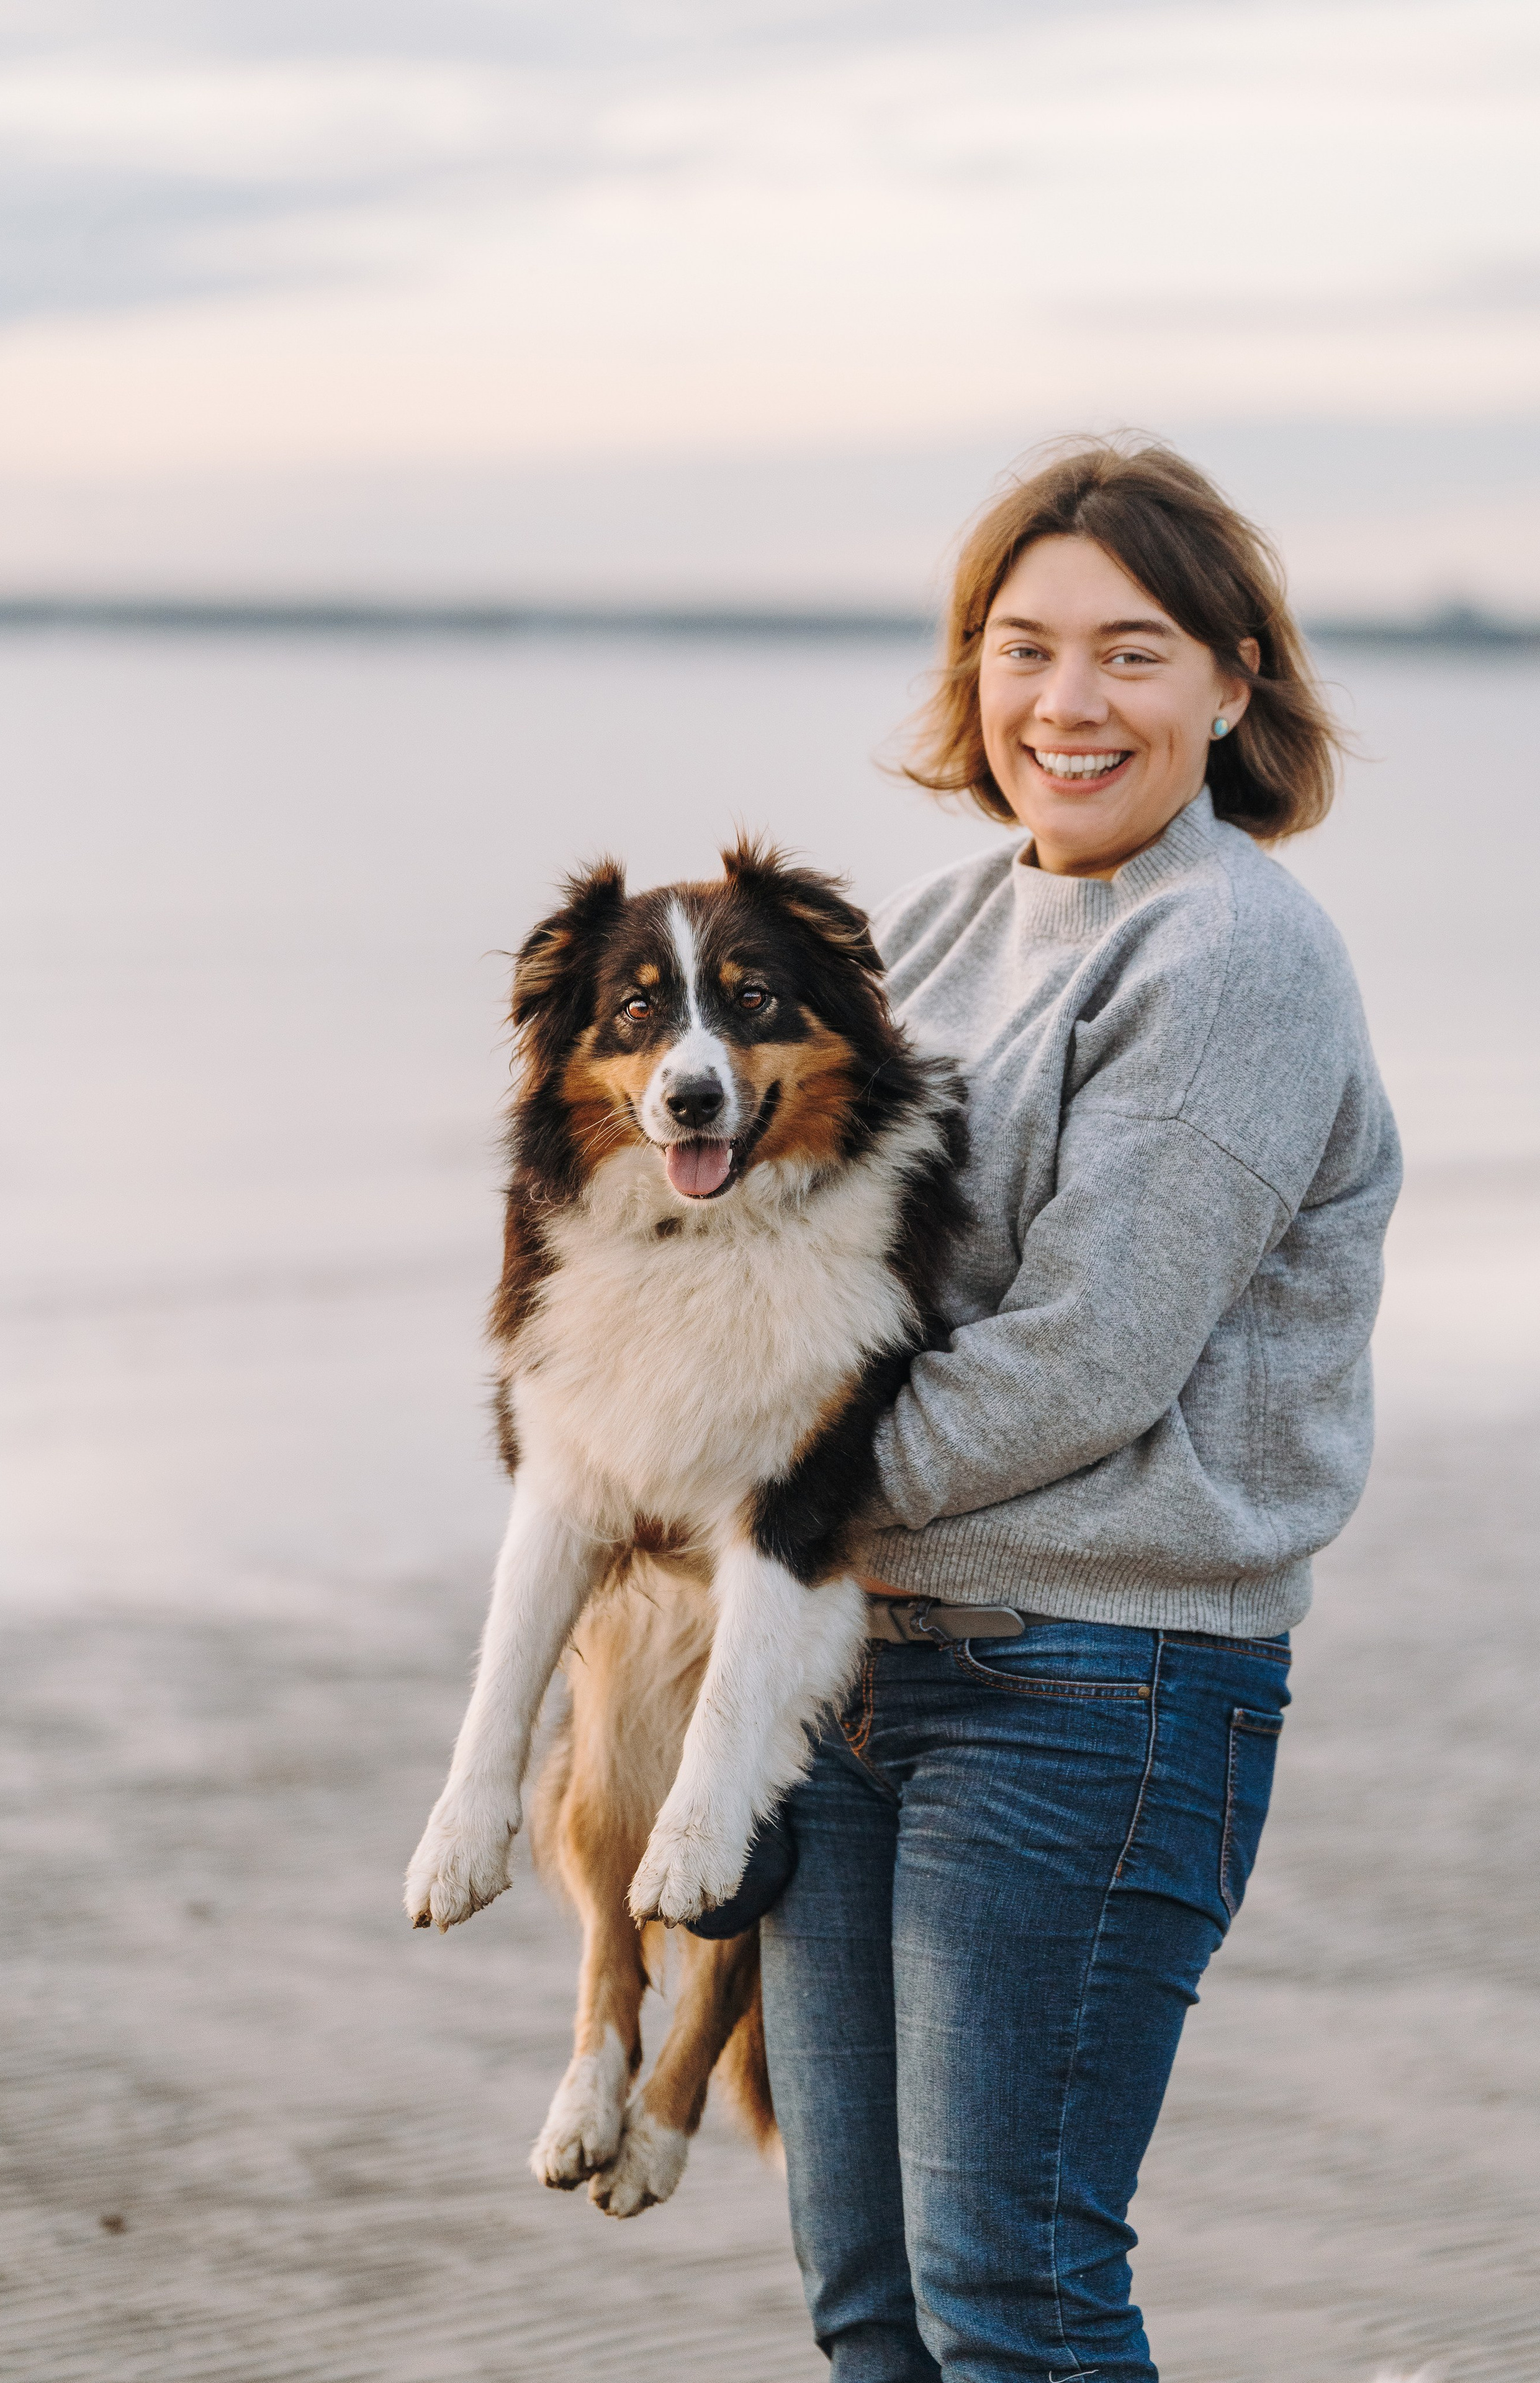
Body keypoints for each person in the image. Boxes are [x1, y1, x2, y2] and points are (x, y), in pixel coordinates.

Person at [758, 439, 1401, 2383]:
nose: (1066, 704)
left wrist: (761, 1511)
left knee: (1012, 2296)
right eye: (1022, 649)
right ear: (970, 678)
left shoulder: (1234, 955)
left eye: (1131, 654)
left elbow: (1084, 1362)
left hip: (1094, 1689)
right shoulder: (937, 927)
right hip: (847, 1668)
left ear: (1234, 682)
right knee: (871, 2308)